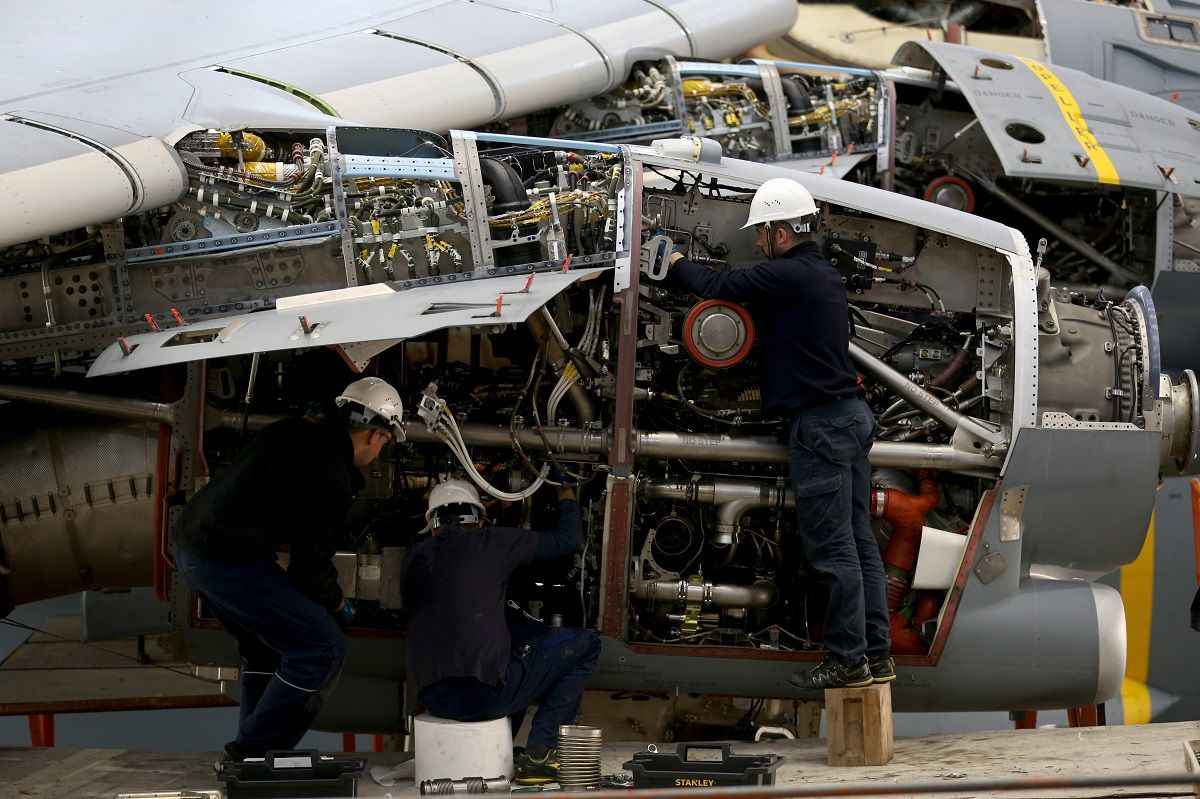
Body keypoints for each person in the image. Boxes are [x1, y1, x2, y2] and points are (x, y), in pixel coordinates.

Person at [659, 177, 893, 691]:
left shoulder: (786, 274)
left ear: (780, 233)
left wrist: (673, 262)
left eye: (762, 233)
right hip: (849, 418)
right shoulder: (822, 274)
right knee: (859, 544)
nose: (759, 243)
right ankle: (876, 655)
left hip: (821, 426)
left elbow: (718, 286)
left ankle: (847, 660)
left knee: (833, 550)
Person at [172, 376, 405, 760]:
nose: (380, 453)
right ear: (374, 434)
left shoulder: (295, 429)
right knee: (323, 648)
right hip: (226, 558)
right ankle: (254, 753)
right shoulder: (333, 472)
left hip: (192, 548)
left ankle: (252, 757)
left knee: (266, 649)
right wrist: (337, 605)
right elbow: (309, 569)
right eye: (385, 443)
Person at [403, 477, 599, 784]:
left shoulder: (414, 557)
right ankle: (540, 754)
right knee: (586, 645)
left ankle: (514, 742)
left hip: (434, 698)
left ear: (433, 523)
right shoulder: (494, 542)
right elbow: (568, 541)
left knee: (511, 639)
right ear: (478, 517)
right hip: (483, 699)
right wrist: (566, 493)